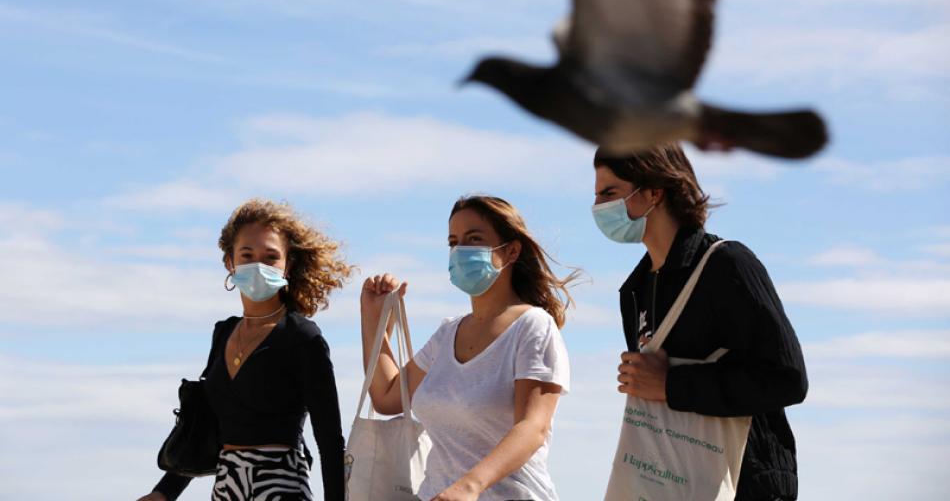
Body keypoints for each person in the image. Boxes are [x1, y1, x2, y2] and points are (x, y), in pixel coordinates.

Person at [592, 144, 808, 501]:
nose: (598, 207)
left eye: (609, 193)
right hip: (670, 485)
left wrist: (670, 384)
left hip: (745, 486)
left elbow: (788, 379)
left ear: (654, 192)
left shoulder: (728, 266)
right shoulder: (635, 289)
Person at [360, 195, 574, 501]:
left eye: (474, 239)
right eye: (453, 242)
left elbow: (533, 427)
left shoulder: (533, 326)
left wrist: (468, 487)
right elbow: (386, 397)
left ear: (512, 251)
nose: (461, 251)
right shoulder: (447, 332)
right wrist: (373, 319)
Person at [137, 199, 350, 501]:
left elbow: (329, 438)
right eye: (247, 255)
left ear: (288, 265)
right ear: (229, 262)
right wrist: (163, 493)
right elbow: (206, 424)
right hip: (227, 488)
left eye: (271, 257)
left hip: (280, 487)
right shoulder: (223, 333)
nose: (258, 266)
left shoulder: (302, 337)